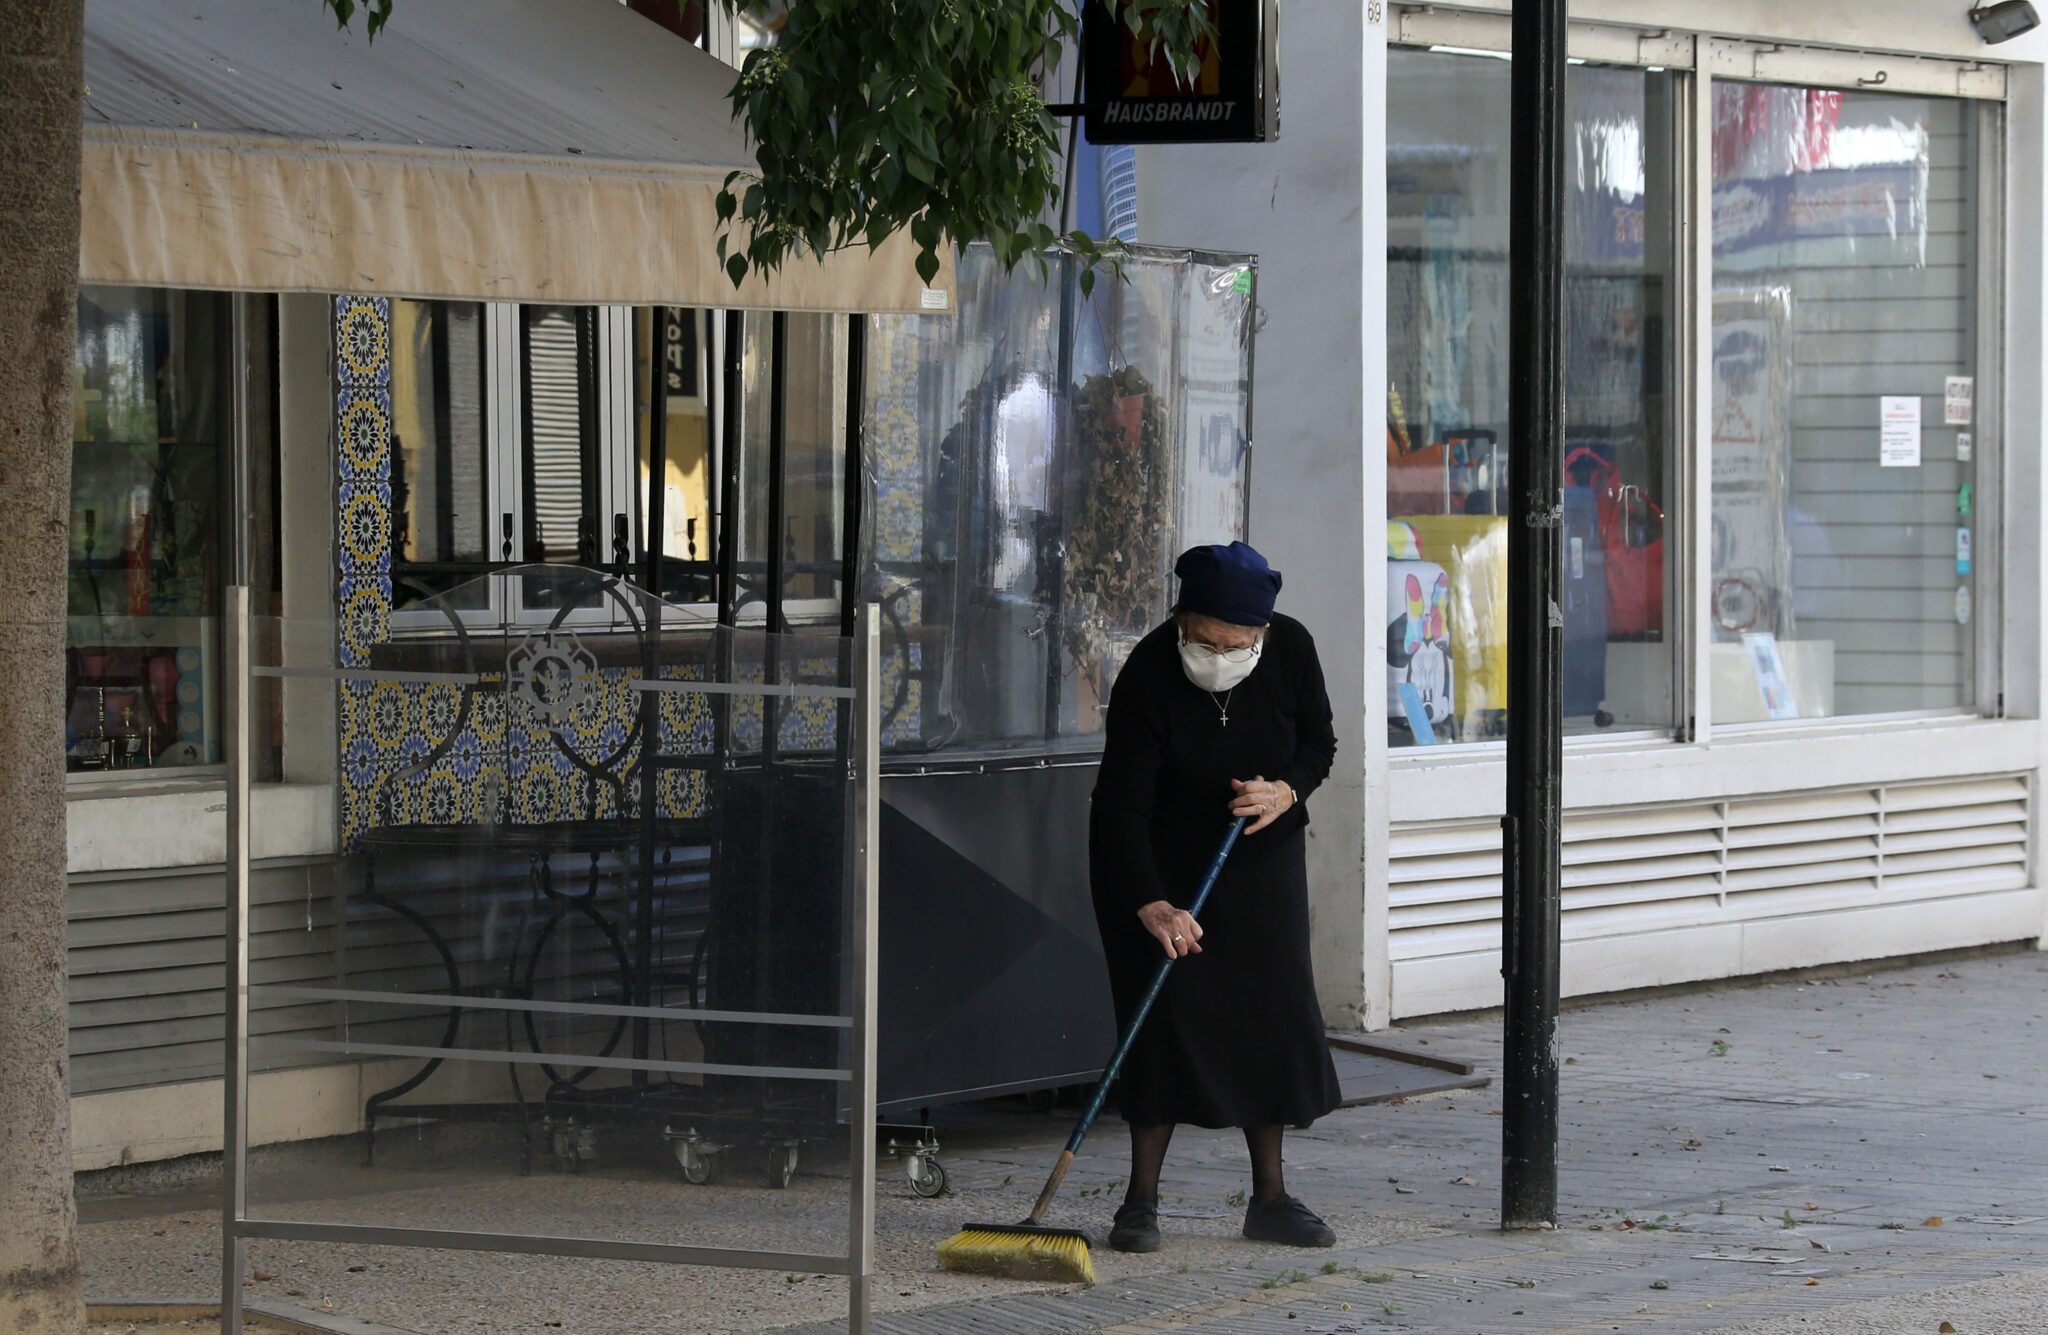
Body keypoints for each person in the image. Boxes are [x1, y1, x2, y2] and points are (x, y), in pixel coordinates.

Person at [1089, 541, 1343, 1254]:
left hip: (1260, 861)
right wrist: (1150, 902)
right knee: (1161, 1022)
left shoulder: (1291, 648)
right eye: (1206, 640)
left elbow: (1318, 744)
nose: (1221, 654)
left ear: (1262, 631)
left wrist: (1286, 788)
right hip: (1163, 866)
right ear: (1182, 619)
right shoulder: (1149, 669)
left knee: (1270, 1015)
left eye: (1238, 644)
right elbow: (1121, 805)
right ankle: (1138, 1202)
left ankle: (1270, 1198)